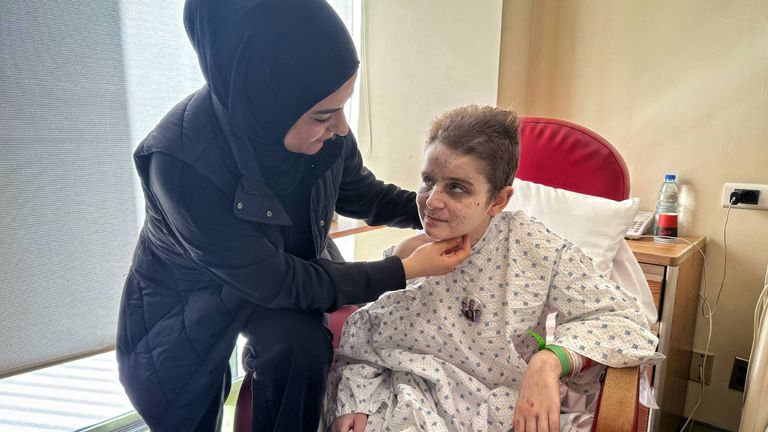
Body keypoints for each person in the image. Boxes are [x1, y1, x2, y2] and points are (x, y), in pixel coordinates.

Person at [115, 0, 470, 431]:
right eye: (324, 115)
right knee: (183, 407)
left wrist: (435, 210)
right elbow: (277, 281)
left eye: (344, 105)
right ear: (268, 104)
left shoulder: (321, 122)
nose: (341, 126)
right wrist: (403, 269)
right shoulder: (181, 163)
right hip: (189, 297)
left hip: (279, 272)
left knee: (300, 346)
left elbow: (360, 192)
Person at [324, 105, 663, 432]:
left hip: (490, 410)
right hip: (399, 399)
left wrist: (548, 361)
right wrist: (357, 400)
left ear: (499, 200)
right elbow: (366, 341)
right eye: (428, 180)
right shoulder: (412, 253)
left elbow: (624, 321)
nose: (432, 201)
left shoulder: (534, 249)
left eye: (457, 187)